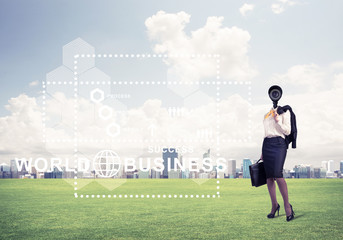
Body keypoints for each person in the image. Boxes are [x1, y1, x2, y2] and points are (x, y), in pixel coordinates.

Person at [261, 96, 295, 222]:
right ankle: (274, 205)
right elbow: (266, 133)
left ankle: (287, 206)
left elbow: (287, 131)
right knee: (269, 177)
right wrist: (262, 151)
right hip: (267, 144)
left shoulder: (284, 113)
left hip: (279, 144)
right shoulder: (266, 115)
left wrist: (278, 121)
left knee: (278, 175)